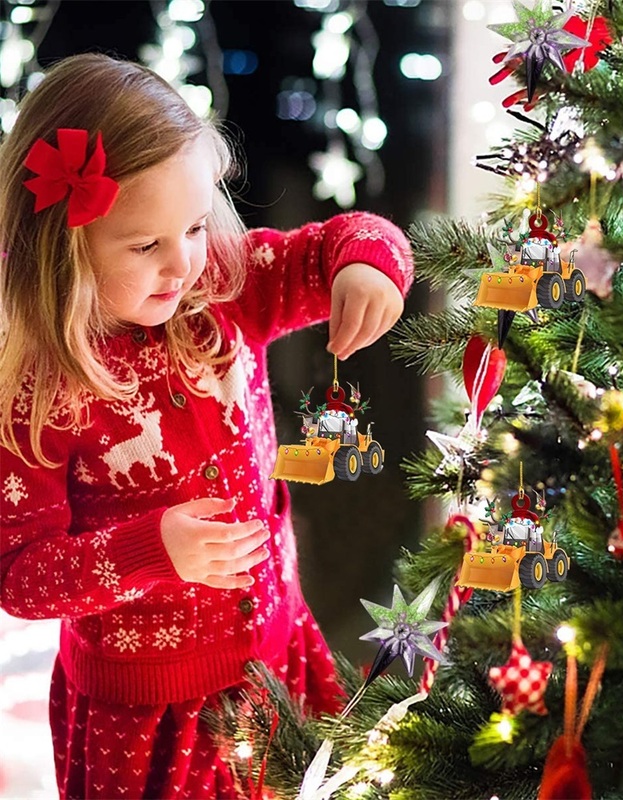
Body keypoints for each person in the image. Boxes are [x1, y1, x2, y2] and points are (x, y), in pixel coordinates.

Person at [0, 53, 414, 799]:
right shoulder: (39, 389)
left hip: (274, 655)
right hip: (149, 714)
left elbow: (339, 242)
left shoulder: (223, 290)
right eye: (145, 245)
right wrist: (149, 550)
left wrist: (367, 266)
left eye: (193, 226)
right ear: (64, 245)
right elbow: (20, 576)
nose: (182, 263)